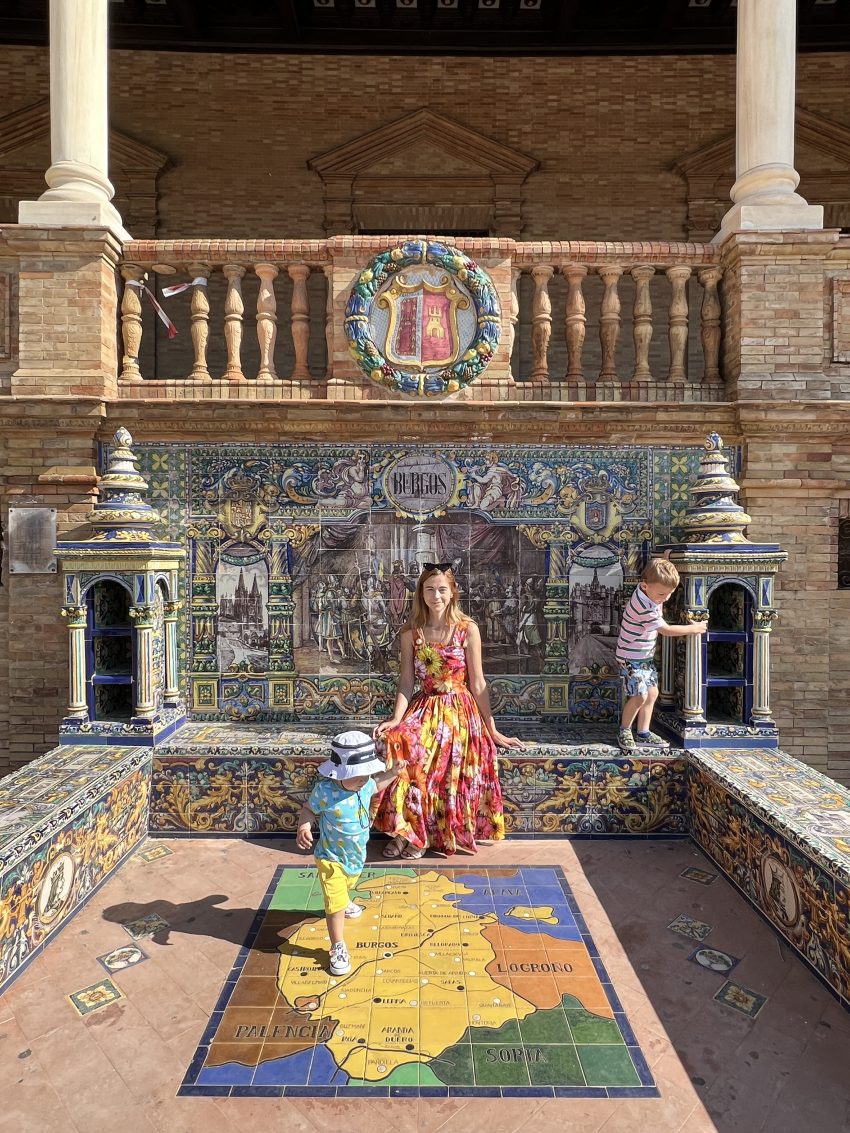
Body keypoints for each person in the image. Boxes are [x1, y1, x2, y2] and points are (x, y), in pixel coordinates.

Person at [372, 563, 525, 859]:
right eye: (429, 589)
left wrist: (492, 729)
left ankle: (417, 837)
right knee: (398, 748)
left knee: (432, 757)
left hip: (459, 710)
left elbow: (478, 683)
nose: (436, 595)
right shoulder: (410, 633)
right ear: (421, 593)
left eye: (442, 589)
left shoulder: (467, 629)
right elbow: (406, 682)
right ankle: (407, 831)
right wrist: (395, 719)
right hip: (425, 706)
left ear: (453, 592)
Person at [296, 730, 397, 976]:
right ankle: (337, 946)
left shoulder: (363, 784)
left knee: (349, 884)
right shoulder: (325, 791)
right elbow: (308, 808)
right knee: (334, 903)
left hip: (355, 856)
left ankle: (345, 900)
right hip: (331, 858)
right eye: (358, 775)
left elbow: (376, 784)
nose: (363, 780)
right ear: (341, 773)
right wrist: (304, 825)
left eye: (366, 774)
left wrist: (394, 772)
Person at [615, 555, 707, 751]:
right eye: (661, 595)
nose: (665, 599)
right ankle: (624, 731)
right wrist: (694, 629)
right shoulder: (643, 606)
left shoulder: (649, 592)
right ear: (645, 585)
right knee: (639, 696)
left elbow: (658, 580)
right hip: (630, 658)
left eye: (669, 594)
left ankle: (643, 733)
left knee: (652, 693)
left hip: (643, 656)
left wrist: (665, 561)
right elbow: (665, 630)